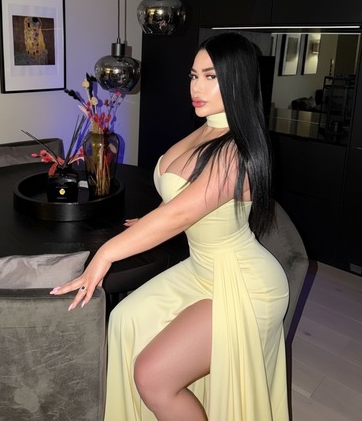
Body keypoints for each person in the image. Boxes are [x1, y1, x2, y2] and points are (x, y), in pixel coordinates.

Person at [51, 32, 289, 421]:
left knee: (153, 377)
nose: (196, 87)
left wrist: (104, 256)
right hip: (201, 269)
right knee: (125, 321)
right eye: (193, 75)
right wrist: (151, 219)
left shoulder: (237, 149)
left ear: (239, 80)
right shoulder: (206, 128)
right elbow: (180, 198)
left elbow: (180, 215)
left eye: (210, 77)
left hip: (243, 283)